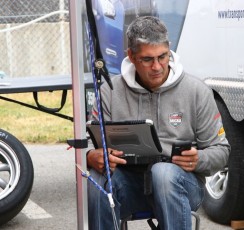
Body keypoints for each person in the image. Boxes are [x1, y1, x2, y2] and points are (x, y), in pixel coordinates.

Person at [86, 16, 230, 230]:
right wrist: (91, 156)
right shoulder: (110, 91)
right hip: (129, 184)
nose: (157, 66)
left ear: (169, 50)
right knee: (98, 177)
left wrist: (199, 159)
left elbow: (222, 151)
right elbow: (87, 142)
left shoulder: (197, 91)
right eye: (147, 59)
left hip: (181, 184)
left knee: (163, 173)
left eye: (163, 56)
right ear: (131, 56)